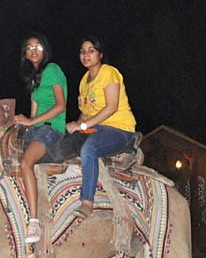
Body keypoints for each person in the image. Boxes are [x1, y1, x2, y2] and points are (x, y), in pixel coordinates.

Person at [65, 36, 137, 218]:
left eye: (91, 51)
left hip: (119, 128)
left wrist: (82, 125)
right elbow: (86, 111)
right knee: (65, 144)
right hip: (96, 128)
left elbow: (111, 106)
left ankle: (87, 202)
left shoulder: (109, 72)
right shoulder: (84, 81)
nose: (85, 55)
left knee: (89, 149)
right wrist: (74, 126)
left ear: (100, 54)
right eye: (82, 51)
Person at [13, 32, 67, 244]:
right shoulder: (34, 79)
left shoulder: (53, 70)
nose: (34, 50)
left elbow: (60, 105)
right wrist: (23, 124)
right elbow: (33, 115)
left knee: (26, 162)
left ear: (45, 51)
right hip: (38, 127)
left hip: (51, 127)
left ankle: (34, 221)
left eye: (38, 47)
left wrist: (30, 122)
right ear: (25, 53)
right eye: (30, 47)